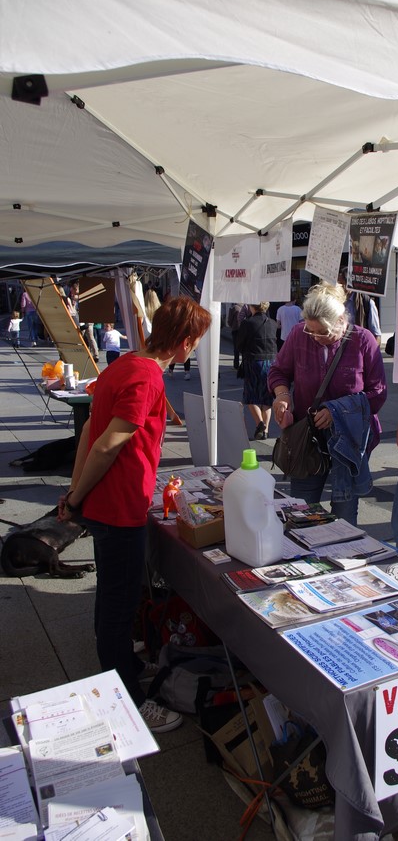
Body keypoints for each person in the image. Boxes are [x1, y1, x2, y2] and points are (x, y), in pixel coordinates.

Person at [57, 296, 211, 733]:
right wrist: (76, 496)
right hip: (118, 505)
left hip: (107, 501)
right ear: (183, 342)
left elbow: (90, 428)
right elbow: (107, 442)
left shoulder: (126, 363)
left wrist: (75, 491)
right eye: (195, 342)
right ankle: (126, 695)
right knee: (118, 603)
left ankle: (121, 663)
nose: (195, 349)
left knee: (113, 593)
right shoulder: (146, 377)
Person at [268, 282, 387, 524]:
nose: (315, 337)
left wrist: (337, 412)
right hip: (308, 438)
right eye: (310, 331)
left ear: (341, 320)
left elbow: (378, 393)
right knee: (302, 510)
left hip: (349, 442)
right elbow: (278, 371)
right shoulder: (299, 336)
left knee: (343, 516)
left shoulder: (363, 341)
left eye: (322, 332)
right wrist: (282, 396)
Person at [236, 303, 278, 439]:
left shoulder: (247, 323)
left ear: (252, 307)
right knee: (267, 399)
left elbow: (239, 344)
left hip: (253, 361)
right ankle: (264, 431)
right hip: (270, 362)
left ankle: (260, 423)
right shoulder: (272, 323)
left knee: (250, 397)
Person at [338, 267, 381, 345]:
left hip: (360, 349)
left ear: (349, 283)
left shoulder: (367, 303)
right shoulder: (335, 302)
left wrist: (371, 354)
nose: (339, 288)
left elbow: (376, 335)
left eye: (341, 284)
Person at [227, 303, 249, 370]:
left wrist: (232, 325)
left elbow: (229, 321)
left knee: (236, 349)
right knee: (244, 348)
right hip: (244, 330)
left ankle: (236, 365)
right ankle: (244, 365)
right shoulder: (245, 306)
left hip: (235, 329)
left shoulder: (233, 307)